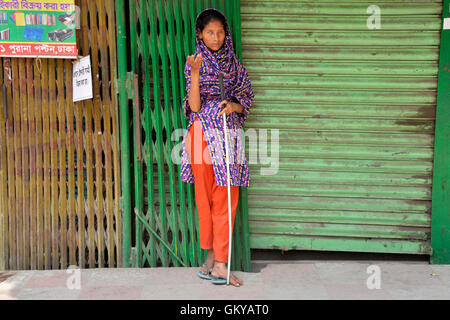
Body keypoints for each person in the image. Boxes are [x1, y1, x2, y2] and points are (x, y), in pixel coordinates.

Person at [179, 8, 254, 287]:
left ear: (226, 33)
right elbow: (194, 106)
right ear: (200, 34)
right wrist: (196, 74)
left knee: (226, 197)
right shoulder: (194, 62)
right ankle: (211, 259)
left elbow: (246, 96)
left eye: (220, 32)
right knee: (205, 198)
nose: (215, 37)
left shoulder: (233, 64)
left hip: (227, 133)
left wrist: (233, 105)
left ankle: (220, 262)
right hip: (201, 134)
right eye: (209, 32)